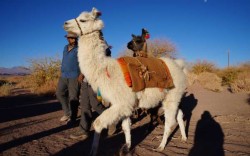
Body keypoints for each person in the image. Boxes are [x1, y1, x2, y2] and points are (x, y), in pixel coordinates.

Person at [70, 33, 116, 139]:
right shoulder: (89, 46)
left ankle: (112, 120)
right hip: (87, 80)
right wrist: (82, 73)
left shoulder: (102, 45)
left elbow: (102, 61)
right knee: (85, 105)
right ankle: (83, 130)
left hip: (96, 80)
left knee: (95, 104)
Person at [56, 32, 83, 123]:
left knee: (73, 97)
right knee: (59, 93)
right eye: (72, 38)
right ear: (68, 39)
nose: (74, 40)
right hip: (63, 76)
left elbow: (83, 62)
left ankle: (73, 117)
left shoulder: (80, 48)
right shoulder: (65, 48)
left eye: (75, 38)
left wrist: (81, 74)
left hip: (75, 76)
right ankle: (67, 113)